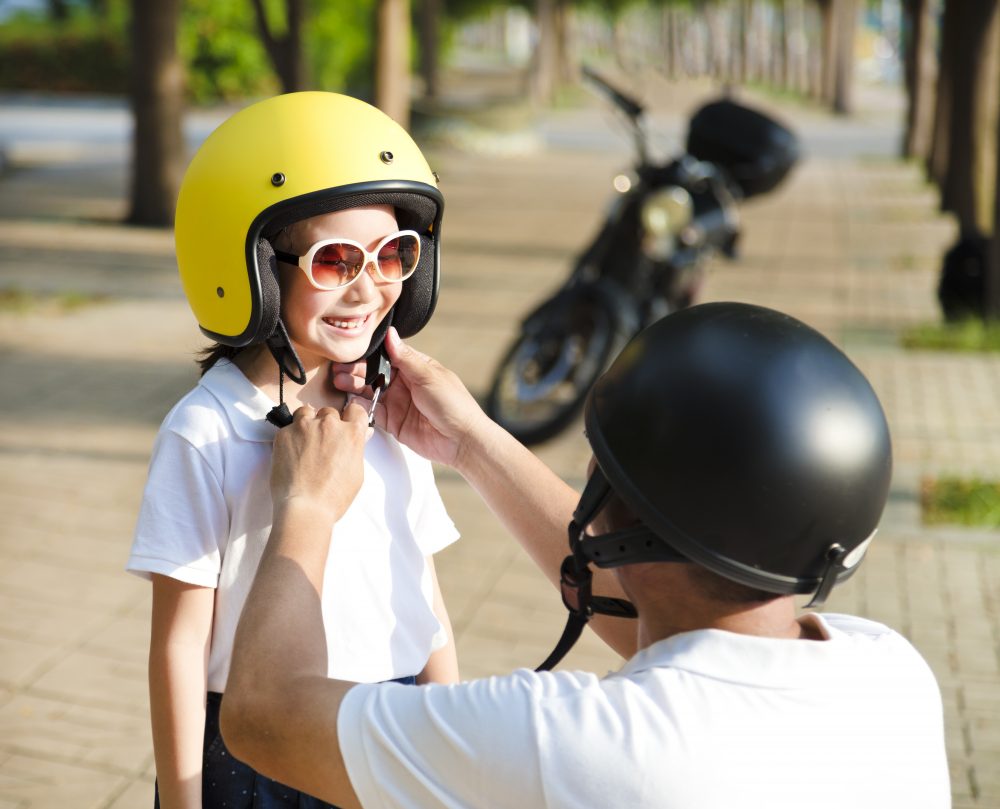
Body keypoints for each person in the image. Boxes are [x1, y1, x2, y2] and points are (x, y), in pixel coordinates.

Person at [221, 302, 951, 809]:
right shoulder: (889, 673)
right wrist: (471, 442)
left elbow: (263, 716)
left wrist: (308, 505)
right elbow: (677, 624)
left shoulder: (572, 743)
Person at [126, 92, 460, 809]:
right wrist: (182, 799)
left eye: (394, 255)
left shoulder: (393, 411)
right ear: (253, 267)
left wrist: (450, 745)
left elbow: (423, 592)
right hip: (254, 749)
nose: (369, 289)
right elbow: (180, 644)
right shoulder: (206, 430)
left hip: (391, 727)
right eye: (335, 260)